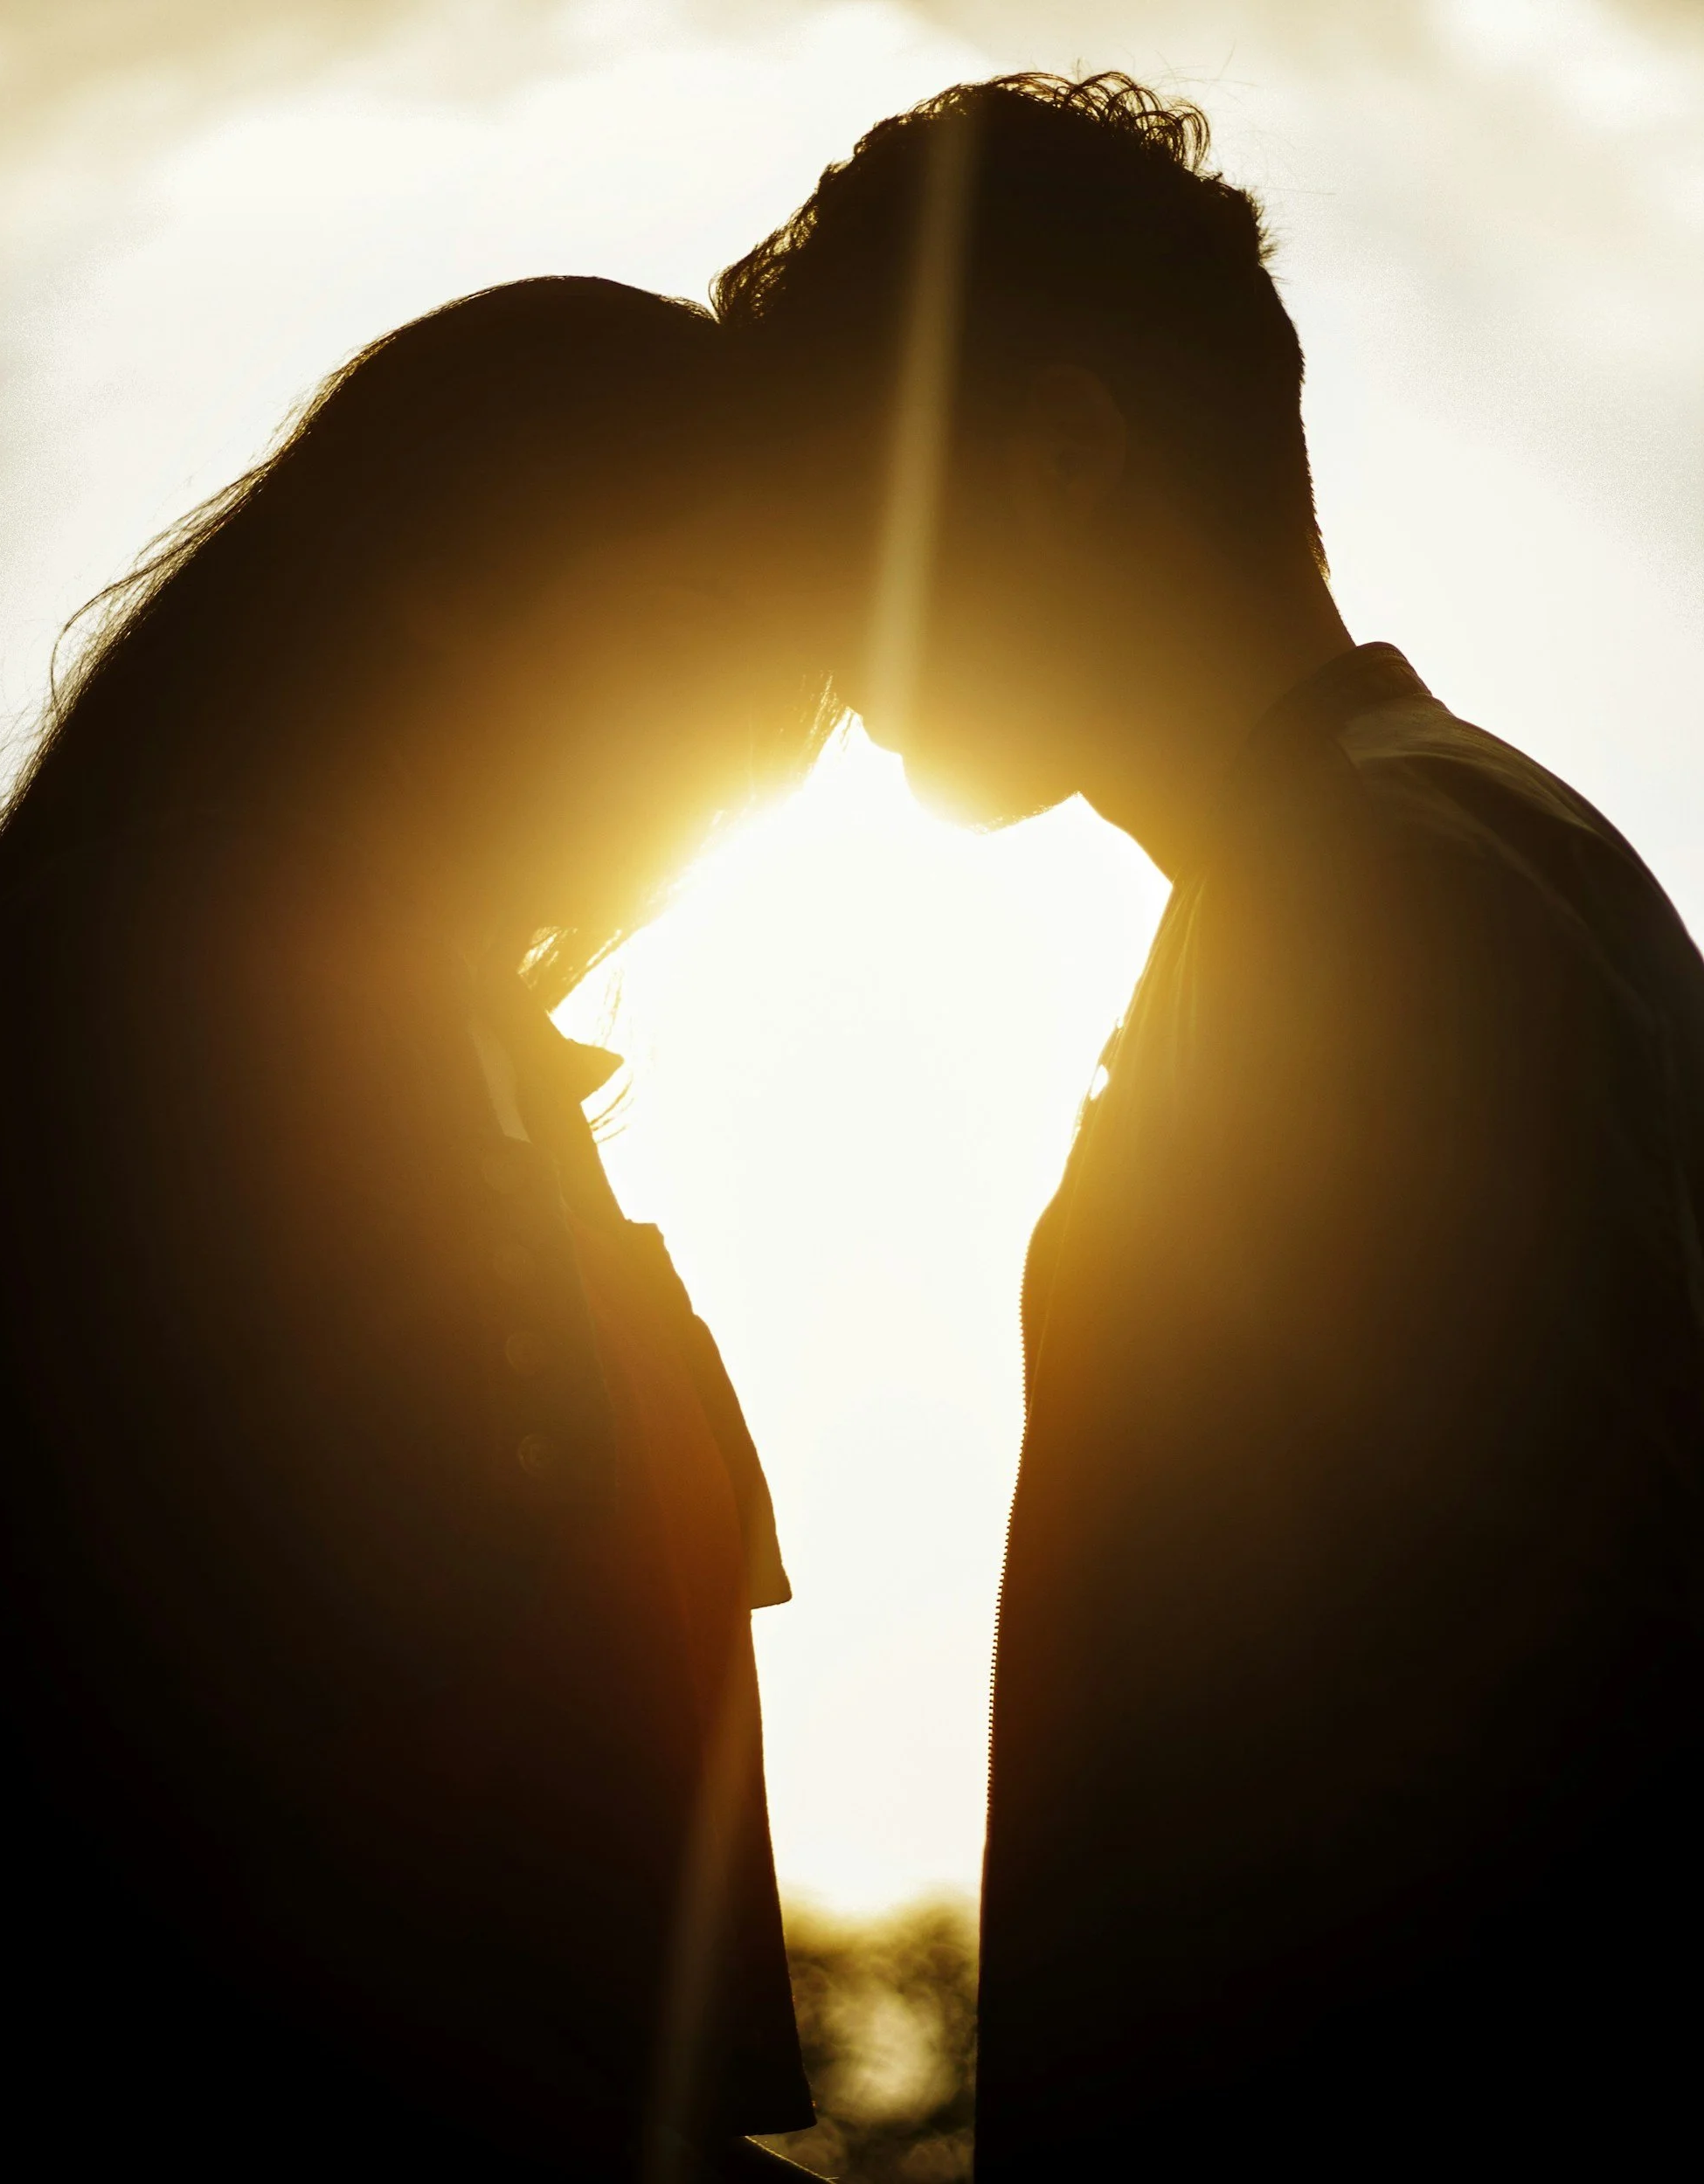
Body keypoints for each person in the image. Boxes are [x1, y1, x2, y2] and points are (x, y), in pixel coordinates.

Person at [716, 73, 1704, 2172]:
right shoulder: (1417, 859)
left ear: (1064, 455)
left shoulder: (1374, 907)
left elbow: (1437, 1770)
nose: (829, 664)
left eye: (840, 549)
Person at [0, 277, 821, 2179]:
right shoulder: (148, 1015)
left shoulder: (467, 1066)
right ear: (458, 580)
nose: (741, 738)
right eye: (698, 630)